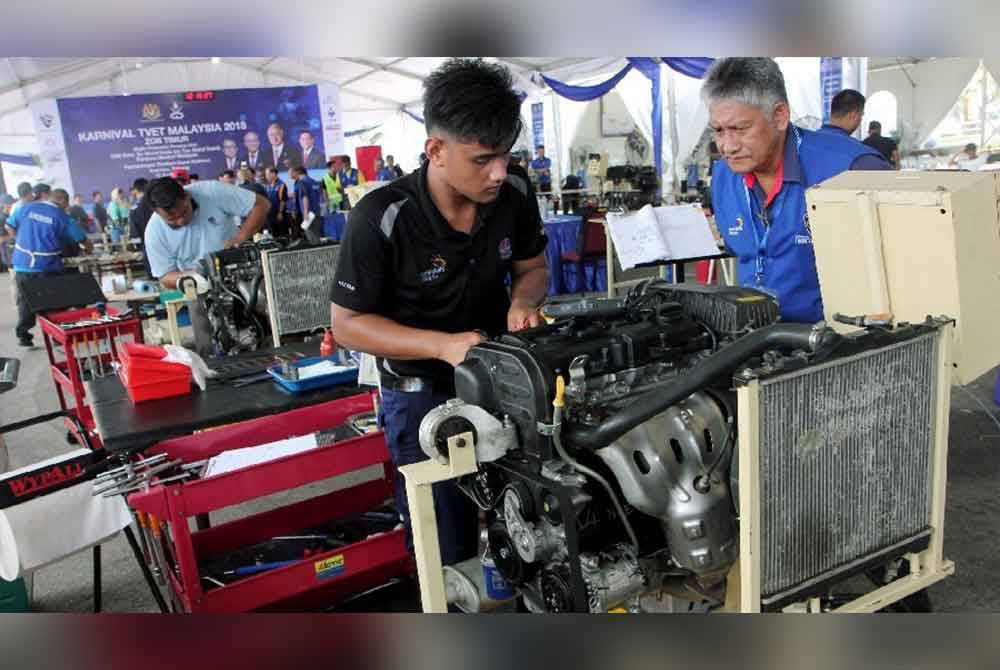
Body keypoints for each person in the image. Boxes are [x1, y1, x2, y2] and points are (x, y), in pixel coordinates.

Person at [329, 58, 549, 566]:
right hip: (419, 395)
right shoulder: (381, 217)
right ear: (436, 150)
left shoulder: (513, 193)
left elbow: (533, 266)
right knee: (443, 541)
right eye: (482, 159)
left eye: (506, 155)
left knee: (520, 522)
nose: (498, 172)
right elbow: (347, 325)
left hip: (500, 377)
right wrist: (441, 345)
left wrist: (523, 300)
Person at [705, 58, 889, 324]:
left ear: (779, 116)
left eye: (740, 129)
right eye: (719, 131)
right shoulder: (724, 177)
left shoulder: (853, 170)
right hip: (755, 345)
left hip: (838, 346)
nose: (728, 146)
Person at [143, 177, 269, 289]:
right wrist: (195, 277)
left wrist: (240, 238)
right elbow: (165, 277)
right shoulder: (154, 232)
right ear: (157, 213)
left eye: (184, 212)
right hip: (200, 289)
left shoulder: (212, 192)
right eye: (172, 220)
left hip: (245, 274)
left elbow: (261, 205)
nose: (181, 221)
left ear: (187, 196)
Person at [8, 183, 90, 346]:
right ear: (64, 203)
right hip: (46, 266)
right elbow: (83, 240)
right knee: (53, 302)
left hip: (22, 264)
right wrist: (89, 249)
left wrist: (22, 241)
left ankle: (23, 336)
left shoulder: (26, 208)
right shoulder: (61, 216)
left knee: (26, 302)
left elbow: (8, 226)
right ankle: (56, 337)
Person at [128, 178, 154, 277]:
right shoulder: (157, 203)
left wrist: (137, 250)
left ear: (135, 190)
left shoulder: (134, 209)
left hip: (147, 249)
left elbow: (135, 235)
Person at [290, 166, 323, 243]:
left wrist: (305, 212)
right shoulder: (315, 182)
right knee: (316, 235)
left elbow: (305, 197)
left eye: (292, 172)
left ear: (297, 172)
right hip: (317, 212)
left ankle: (316, 254)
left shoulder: (302, 183)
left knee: (311, 237)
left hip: (309, 214)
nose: (290, 175)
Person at [263, 166, 290, 237]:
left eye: (267, 174)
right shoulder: (267, 185)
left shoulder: (281, 185)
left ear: (273, 174)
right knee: (273, 234)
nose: (266, 176)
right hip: (270, 214)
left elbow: (283, 200)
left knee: (282, 233)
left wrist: (280, 212)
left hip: (279, 213)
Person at [0, 195, 16, 272]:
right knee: (16, 281)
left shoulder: (9, 216)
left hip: (13, 254)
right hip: (9, 255)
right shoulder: (1, 219)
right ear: (5, 205)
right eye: (11, 203)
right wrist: (15, 235)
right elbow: (1, 239)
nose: (13, 205)